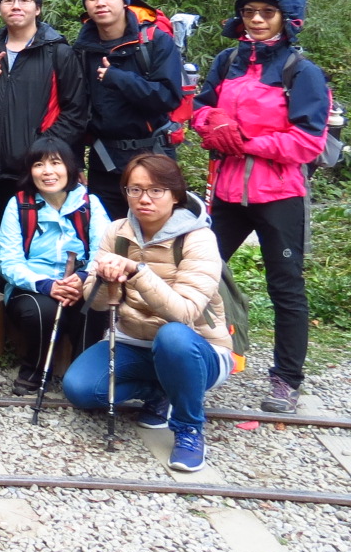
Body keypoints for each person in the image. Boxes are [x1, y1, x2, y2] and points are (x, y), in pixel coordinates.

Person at [192, 0, 330, 414]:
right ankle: (194, 358)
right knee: (199, 273)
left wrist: (245, 141)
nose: (255, 19)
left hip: (279, 195)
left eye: (266, 13)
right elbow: (198, 109)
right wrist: (213, 123)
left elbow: (308, 143)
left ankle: (287, 380)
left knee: (285, 287)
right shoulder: (227, 60)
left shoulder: (302, 73)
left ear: (287, 19)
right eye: (249, 11)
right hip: (229, 192)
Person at [63, 154, 231, 473]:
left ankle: (189, 430)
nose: (144, 199)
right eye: (135, 189)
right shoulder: (117, 232)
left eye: (156, 190)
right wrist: (101, 279)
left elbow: (185, 313)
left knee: (173, 337)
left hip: (196, 347)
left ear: (175, 194)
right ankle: (159, 393)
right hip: (133, 341)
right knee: (80, 388)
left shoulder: (199, 238)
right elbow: (94, 305)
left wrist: (137, 271)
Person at [0, 0, 89, 290]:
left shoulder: (57, 52)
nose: (15, 6)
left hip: (33, 169)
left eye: (24, 0)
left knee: (31, 238)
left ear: (38, 8)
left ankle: (26, 302)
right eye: (8, 0)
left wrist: (41, 151)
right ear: (0, 7)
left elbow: (76, 111)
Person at [0, 136, 110, 394]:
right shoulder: (20, 205)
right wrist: (46, 285)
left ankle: (83, 374)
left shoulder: (89, 204)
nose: (47, 171)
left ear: (69, 167)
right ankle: (35, 370)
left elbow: (104, 251)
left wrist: (82, 278)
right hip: (32, 287)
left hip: (80, 282)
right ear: (30, 170)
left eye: (55, 163)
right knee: (42, 310)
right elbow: (9, 261)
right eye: (39, 164)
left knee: (94, 303)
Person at [73, 0, 182, 219]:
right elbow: (75, 109)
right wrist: (75, 160)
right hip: (105, 161)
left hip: (153, 155)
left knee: (157, 237)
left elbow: (168, 97)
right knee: (107, 238)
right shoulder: (81, 51)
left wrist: (117, 78)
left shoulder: (155, 42)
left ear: (124, 0)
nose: (100, 2)